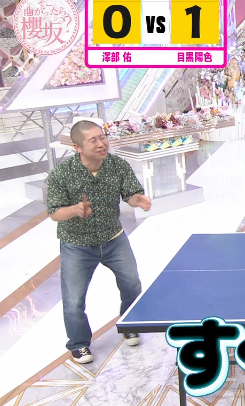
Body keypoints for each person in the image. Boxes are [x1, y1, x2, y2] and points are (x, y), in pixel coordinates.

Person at [46, 120, 152, 364]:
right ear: (77, 147)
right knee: (74, 300)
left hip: (114, 239)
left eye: (102, 137)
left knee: (132, 285)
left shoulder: (117, 165)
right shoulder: (62, 173)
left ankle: (129, 325)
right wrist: (74, 210)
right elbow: (54, 213)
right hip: (77, 245)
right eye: (93, 140)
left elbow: (130, 194)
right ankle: (79, 344)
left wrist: (138, 200)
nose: (101, 144)